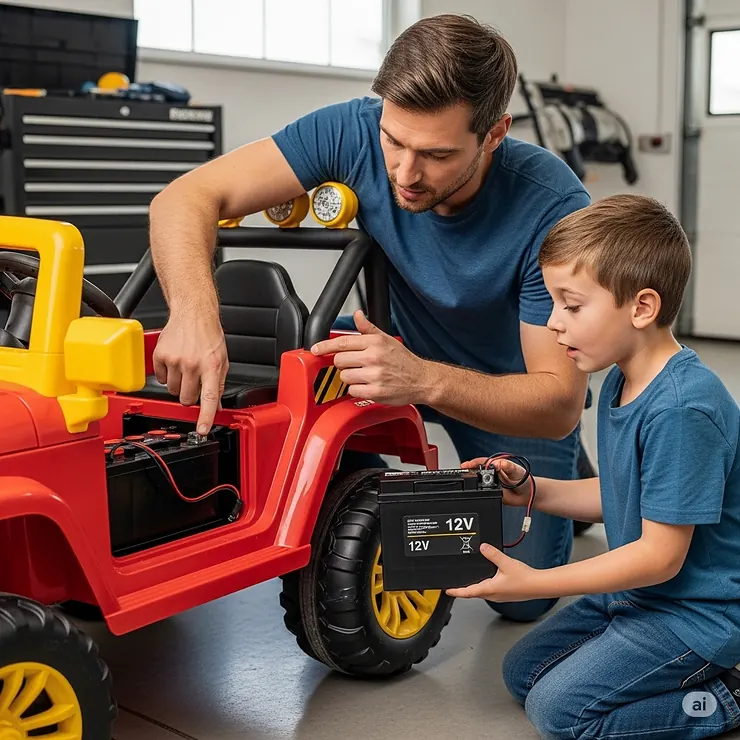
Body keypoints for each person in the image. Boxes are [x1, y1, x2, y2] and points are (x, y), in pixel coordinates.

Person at [147, 14, 590, 622]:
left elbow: (558, 400)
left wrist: (426, 381)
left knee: (525, 596)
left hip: (508, 385)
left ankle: (565, 462)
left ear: (494, 134)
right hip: (390, 359)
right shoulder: (353, 129)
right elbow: (184, 197)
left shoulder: (555, 208)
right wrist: (195, 316)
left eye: (436, 154)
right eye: (394, 141)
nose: (405, 174)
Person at [449, 193, 740, 739]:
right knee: (521, 674)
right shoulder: (621, 381)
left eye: (571, 305)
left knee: (562, 713)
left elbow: (660, 557)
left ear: (642, 308)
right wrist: (531, 490)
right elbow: (623, 495)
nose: (554, 324)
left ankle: (726, 699)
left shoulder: (682, 410)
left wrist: (539, 580)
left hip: (696, 616)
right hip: (638, 598)